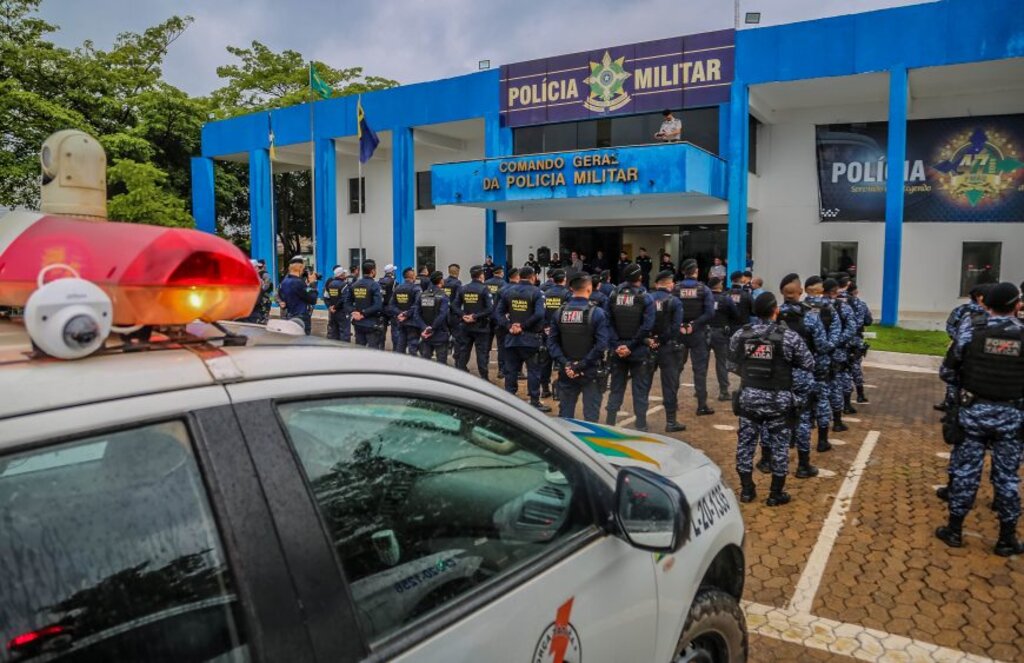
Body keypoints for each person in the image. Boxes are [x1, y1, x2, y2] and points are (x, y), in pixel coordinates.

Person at [935, 282, 1024, 556]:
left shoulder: (972, 330)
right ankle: (1007, 537)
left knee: (965, 472)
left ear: (987, 304)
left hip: (973, 413)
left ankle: (954, 529)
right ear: (1015, 305)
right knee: (1007, 478)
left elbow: (947, 372)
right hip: (1012, 417)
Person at [729, 292, 815, 506]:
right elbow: (808, 363)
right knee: (780, 446)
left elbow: (730, 363)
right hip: (778, 400)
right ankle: (776, 494)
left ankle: (747, 491)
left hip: (749, 398)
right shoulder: (788, 336)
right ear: (775, 310)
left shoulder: (741, 334)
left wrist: (751, 376)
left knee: (746, 444)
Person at [778, 273, 834, 479]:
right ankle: (803, 465)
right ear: (801, 292)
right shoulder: (810, 317)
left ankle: (774, 463)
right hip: (803, 375)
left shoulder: (774, 315)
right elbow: (821, 346)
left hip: (780, 375)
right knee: (802, 418)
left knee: (779, 419)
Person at [548, 273, 611, 422]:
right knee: (591, 417)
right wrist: (581, 365)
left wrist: (567, 364)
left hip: (567, 371)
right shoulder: (597, 313)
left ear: (571, 289)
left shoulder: (559, 313)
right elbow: (601, 345)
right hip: (590, 371)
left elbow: (552, 343)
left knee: (565, 418)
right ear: (589, 289)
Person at [604, 264, 656, 430]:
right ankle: (641, 424)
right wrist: (631, 346)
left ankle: (610, 422)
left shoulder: (613, 295)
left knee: (616, 388)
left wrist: (617, 345)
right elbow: (647, 326)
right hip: (638, 350)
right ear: (640, 277)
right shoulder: (645, 297)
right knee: (640, 389)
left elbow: (607, 322)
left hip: (618, 350)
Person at [494, 266, 550, 411]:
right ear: (533, 277)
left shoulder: (507, 291)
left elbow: (498, 313)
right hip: (530, 338)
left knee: (511, 370)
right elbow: (539, 314)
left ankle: (510, 400)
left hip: (512, 337)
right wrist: (523, 326)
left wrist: (509, 326)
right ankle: (534, 401)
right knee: (533, 371)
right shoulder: (537, 292)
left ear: (519, 276)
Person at [802, 276, 841, 453]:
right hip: (822, 361)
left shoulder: (799, 308)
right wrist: (828, 348)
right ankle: (822, 441)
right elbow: (836, 332)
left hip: (801, 361)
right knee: (822, 398)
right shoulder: (829, 308)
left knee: (802, 398)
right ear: (820, 289)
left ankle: (801, 434)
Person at [937, 283, 991, 411]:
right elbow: (950, 326)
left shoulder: (992, 312)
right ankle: (950, 403)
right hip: (963, 350)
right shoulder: (963, 310)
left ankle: (954, 405)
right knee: (956, 379)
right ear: (979, 297)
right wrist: (959, 340)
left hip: (968, 351)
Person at [675, 258, 716, 416]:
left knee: (675, 369)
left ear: (684, 272)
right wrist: (694, 324)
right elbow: (710, 313)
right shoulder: (704, 289)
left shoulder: (676, 289)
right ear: (696, 271)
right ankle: (701, 405)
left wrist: (680, 325)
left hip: (679, 333)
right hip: (697, 333)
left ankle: (673, 403)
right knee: (699, 370)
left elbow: (670, 309)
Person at [648, 270, 686, 432]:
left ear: (657, 284)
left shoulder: (647, 299)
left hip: (649, 346)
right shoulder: (675, 302)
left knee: (643, 383)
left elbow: (643, 322)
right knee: (669, 385)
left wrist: (651, 340)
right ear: (670, 284)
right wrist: (662, 340)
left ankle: (641, 421)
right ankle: (671, 422)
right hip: (668, 347)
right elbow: (676, 327)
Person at [823, 278, 857, 432]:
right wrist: (836, 342)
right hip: (838, 352)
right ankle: (837, 421)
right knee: (836, 384)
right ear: (834, 291)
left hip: (818, 353)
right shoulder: (842, 307)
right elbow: (851, 328)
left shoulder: (812, 306)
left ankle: (813, 420)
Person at [453, 265, 495, 379]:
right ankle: (484, 378)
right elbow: (490, 308)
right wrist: (475, 316)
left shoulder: (463, 288)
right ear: (481, 275)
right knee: (481, 353)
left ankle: (460, 376)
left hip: (465, 325)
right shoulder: (484, 289)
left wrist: (464, 315)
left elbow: (454, 306)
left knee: (464, 351)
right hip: (481, 326)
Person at [539, 269, 571, 399]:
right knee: (562, 360)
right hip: (563, 332)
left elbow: (541, 312)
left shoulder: (545, 294)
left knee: (545, 361)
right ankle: (560, 389)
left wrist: (546, 327)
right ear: (564, 279)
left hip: (548, 332)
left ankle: (545, 388)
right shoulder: (568, 294)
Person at [708, 276, 739, 402]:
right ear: (719, 285)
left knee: (701, 363)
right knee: (721, 362)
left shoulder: (705, 298)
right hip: (721, 333)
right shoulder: (726, 299)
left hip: (705, 331)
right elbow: (735, 314)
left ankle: (699, 391)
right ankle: (723, 391)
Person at [344, 260, 384, 348]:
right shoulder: (375, 285)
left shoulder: (354, 284)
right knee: (373, 351)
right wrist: (362, 313)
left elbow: (347, 303)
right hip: (371, 324)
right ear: (373, 271)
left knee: (360, 351)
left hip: (358, 323)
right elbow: (378, 306)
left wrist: (354, 312)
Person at [414, 271, 451, 364]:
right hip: (440, 333)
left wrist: (424, 327)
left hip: (425, 334)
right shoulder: (443, 296)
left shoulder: (422, 295)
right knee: (441, 364)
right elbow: (443, 315)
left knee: (426, 363)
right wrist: (432, 328)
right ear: (440, 280)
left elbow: (416, 314)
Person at [846, 281, 873, 403]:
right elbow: (868, 321)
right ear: (855, 291)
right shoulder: (861, 304)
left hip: (841, 340)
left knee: (842, 368)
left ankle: (844, 399)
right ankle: (860, 394)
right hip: (856, 339)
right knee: (855, 366)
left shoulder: (840, 303)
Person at [388, 267, 423, 355]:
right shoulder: (416, 289)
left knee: (401, 344)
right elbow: (417, 305)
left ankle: (399, 364)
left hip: (401, 321)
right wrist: (406, 314)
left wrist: (400, 313)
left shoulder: (398, 288)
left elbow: (391, 305)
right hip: (412, 323)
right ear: (413, 276)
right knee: (413, 346)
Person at [278, 257, 317, 335]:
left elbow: (282, 298)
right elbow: (312, 299)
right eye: (303, 268)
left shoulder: (284, 282)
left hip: (290, 315)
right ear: (300, 268)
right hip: (300, 316)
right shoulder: (298, 282)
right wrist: (312, 284)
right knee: (303, 342)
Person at [323, 266, 348, 341]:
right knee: (344, 333)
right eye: (344, 273)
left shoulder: (330, 284)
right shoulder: (344, 285)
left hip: (333, 313)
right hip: (341, 312)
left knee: (334, 333)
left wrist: (330, 307)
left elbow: (326, 297)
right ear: (341, 275)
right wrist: (335, 307)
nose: (345, 275)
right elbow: (343, 298)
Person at [376, 264, 397, 350]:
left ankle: (381, 348)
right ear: (392, 271)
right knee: (395, 330)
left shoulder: (379, 281)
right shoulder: (393, 282)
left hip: (381, 308)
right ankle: (396, 349)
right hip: (391, 308)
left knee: (381, 330)